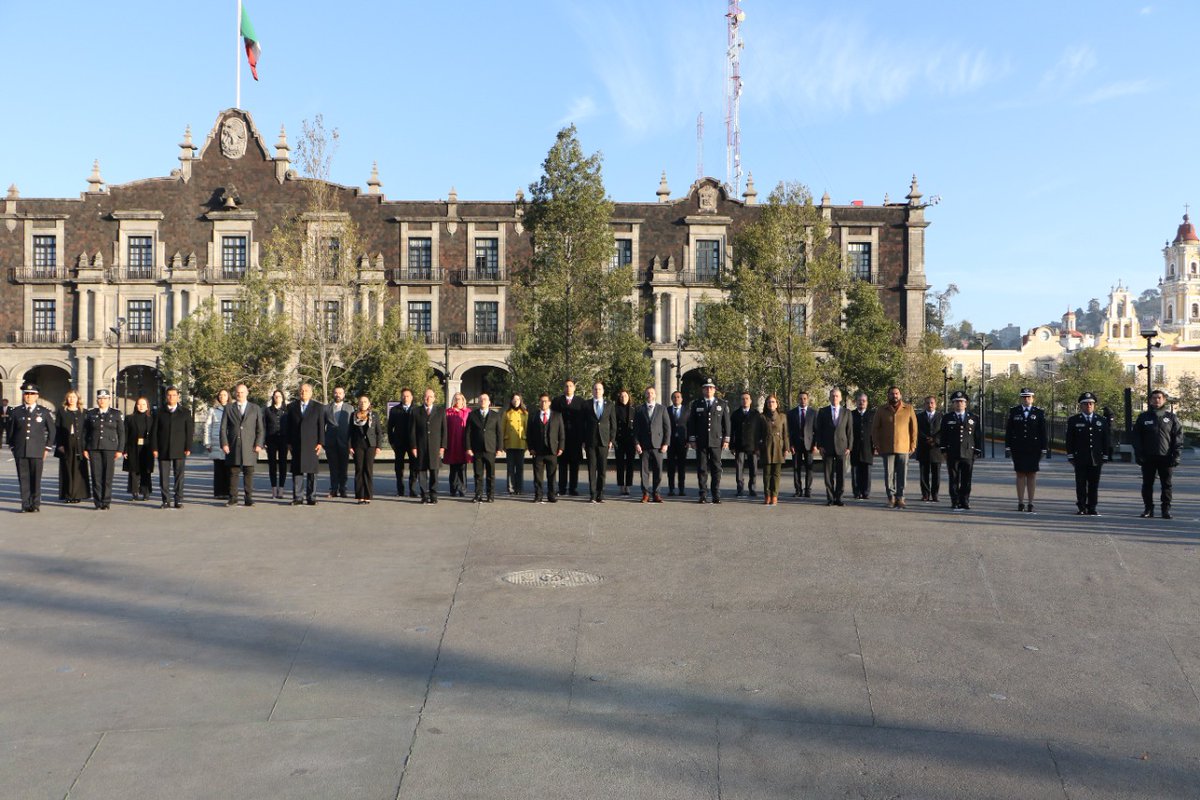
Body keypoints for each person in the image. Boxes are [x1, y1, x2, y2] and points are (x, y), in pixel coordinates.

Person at [1132, 389, 1182, 519]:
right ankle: (1148, 509)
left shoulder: (1171, 418)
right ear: (1150, 400)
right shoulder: (1143, 417)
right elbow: (1136, 437)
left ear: (1164, 400)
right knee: (1147, 484)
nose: (1157, 400)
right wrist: (1138, 454)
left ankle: (1166, 510)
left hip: (1166, 457)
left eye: (1159, 398)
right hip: (1148, 457)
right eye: (1154, 398)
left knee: (1166, 485)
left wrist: (1176, 455)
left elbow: (1177, 437)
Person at [9, 382, 55, 512]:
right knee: (23, 478)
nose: (29, 396)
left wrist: (47, 448)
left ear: (37, 396)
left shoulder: (44, 412)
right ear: (24, 395)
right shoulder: (16, 411)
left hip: (37, 450)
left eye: (32, 394)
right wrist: (13, 447)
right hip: (21, 450)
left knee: (36, 478)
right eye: (27, 394)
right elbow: (11, 431)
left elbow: (52, 431)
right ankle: (25, 504)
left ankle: (35, 504)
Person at [1064, 392, 1111, 516]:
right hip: (1080, 457)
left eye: (1091, 403)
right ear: (1081, 406)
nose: (1089, 406)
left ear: (1094, 405)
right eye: (1086, 404)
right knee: (1080, 483)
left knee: (1093, 484)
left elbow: (1106, 439)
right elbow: (1070, 440)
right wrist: (1070, 455)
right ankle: (1081, 506)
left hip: (1096, 457)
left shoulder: (1101, 420)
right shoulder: (1074, 420)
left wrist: (1106, 455)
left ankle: (1092, 506)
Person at [870, 386, 917, 509]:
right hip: (887, 447)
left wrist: (913, 444)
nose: (894, 396)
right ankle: (891, 497)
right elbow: (875, 429)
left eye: (896, 393)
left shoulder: (908, 409)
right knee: (889, 474)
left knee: (902, 474)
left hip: (903, 447)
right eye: (892, 394)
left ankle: (900, 498)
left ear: (900, 395)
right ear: (888, 395)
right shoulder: (881, 410)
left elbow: (914, 429)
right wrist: (877, 444)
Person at [1003, 387, 1048, 513]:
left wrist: (1044, 448)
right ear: (1021, 398)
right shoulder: (1014, 411)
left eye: (1029, 397)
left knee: (1032, 475)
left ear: (1033, 398)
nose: (1026, 399)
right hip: (1018, 448)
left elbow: (1043, 432)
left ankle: (1031, 502)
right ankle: (1021, 502)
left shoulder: (1039, 412)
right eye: (1024, 397)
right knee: (1020, 474)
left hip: (1034, 448)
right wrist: (1007, 447)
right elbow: (1009, 431)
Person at [220, 382, 264, 506]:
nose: (240, 394)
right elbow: (223, 428)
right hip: (233, 445)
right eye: (238, 393)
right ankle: (233, 498)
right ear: (235, 394)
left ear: (247, 393)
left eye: (242, 392)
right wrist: (224, 443)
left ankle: (248, 498)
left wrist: (259, 443)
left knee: (249, 472)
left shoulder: (255, 408)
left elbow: (260, 428)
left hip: (250, 446)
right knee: (233, 472)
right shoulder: (229, 408)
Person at [939, 390, 983, 511]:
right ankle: (955, 500)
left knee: (966, 479)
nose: (959, 404)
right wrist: (943, 450)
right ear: (953, 404)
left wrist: (977, 450)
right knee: (953, 478)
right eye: (956, 402)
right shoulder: (947, 418)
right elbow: (943, 435)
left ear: (966, 403)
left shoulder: (973, 418)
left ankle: (965, 500)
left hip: (968, 452)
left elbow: (977, 435)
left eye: (961, 401)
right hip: (952, 452)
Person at [688, 379, 730, 504]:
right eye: (706, 388)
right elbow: (692, 423)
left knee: (716, 468)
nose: (709, 390)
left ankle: (716, 494)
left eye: (711, 388)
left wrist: (726, 439)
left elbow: (726, 423)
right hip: (701, 441)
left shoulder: (722, 404)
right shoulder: (696, 404)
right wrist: (692, 439)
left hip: (716, 441)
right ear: (703, 390)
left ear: (714, 390)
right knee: (702, 468)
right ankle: (703, 494)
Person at [151, 386, 193, 509]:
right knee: (164, 476)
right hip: (163, 448)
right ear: (166, 397)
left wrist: (188, 447)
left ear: (178, 396)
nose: (171, 397)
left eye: (174, 395)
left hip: (179, 448)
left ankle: (178, 500)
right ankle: (165, 500)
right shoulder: (159, 412)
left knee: (179, 476)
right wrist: (154, 448)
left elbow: (189, 431)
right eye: (169, 395)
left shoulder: (185, 412)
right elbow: (154, 431)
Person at [84, 388, 124, 510]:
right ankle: (98, 502)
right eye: (100, 399)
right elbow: (85, 432)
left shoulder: (116, 414)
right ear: (97, 400)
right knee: (96, 476)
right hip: (94, 447)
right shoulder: (90, 413)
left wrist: (120, 449)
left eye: (105, 398)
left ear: (109, 400)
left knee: (107, 476)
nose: (102, 401)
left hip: (110, 448)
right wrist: (85, 448)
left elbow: (121, 433)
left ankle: (106, 501)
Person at [285, 382, 324, 506]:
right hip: (296, 444)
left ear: (311, 393)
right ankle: (298, 497)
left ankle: (311, 497)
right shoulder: (291, 407)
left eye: (306, 390)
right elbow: (288, 426)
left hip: (312, 444)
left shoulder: (318, 407)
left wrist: (321, 442)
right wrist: (288, 442)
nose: (303, 392)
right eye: (301, 390)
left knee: (312, 472)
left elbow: (321, 426)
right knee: (297, 472)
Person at [814, 388, 853, 506]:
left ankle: (839, 498)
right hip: (827, 446)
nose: (834, 398)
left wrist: (849, 447)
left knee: (841, 474)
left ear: (840, 398)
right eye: (832, 396)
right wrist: (820, 445)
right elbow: (818, 430)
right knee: (828, 474)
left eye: (837, 396)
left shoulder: (847, 412)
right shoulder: (822, 411)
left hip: (842, 446)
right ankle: (830, 498)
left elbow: (850, 431)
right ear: (829, 398)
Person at [634, 385, 670, 503]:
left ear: (655, 395)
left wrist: (666, 443)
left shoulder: (662, 409)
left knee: (658, 470)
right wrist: (637, 443)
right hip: (643, 445)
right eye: (648, 393)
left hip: (658, 445)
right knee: (644, 471)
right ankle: (645, 494)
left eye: (652, 393)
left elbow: (667, 428)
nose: (650, 395)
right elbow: (636, 429)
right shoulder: (639, 409)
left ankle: (656, 494)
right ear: (645, 395)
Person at [410, 388, 447, 504]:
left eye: (430, 396)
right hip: (421, 447)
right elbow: (412, 431)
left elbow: (444, 430)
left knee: (434, 472)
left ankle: (433, 495)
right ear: (423, 398)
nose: (428, 398)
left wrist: (443, 446)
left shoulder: (440, 411)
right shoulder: (416, 411)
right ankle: (424, 495)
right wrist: (413, 446)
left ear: (434, 398)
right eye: (426, 396)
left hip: (435, 447)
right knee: (422, 472)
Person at [580, 381, 615, 503]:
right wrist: (583, 440)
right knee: (592, 469)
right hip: (590, 441)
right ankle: (592, 494)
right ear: (592, 391)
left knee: (602, 469)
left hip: (604, 441)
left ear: (603, 391)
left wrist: (611, 439)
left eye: (599, 389)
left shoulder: (609, 405)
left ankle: (601, 494)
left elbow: (613, 424)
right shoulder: (586, 404)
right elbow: (582, 424)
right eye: (595, 389)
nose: (597, 391)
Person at [527, 392, 564, 504]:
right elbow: (529, 433)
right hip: (538, 451)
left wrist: (561, 447)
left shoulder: (557, 415)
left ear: (549, 403)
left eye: (546, 401)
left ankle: (552, 495)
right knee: (538, 476)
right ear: (539, 402)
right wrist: (531, 448)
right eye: (542, 401)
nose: (543, 403)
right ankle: (538, 495)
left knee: (552, 475)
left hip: (552, 450)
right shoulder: (533, 416)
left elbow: (561, 433)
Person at [552, 379, 587, 496]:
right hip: (561, 437)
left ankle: (573, 488)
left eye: (571, 386)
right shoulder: (557, 401)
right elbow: (554, 420)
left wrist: (583, 439)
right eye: (566, 386)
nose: (568, 388)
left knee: (574, 464)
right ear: (563, 388)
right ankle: (562, 488)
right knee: (562, 464)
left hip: (576, 438)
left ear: (574, 388)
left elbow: (584, 422)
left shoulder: (581, 402)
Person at [55, 389, 89, 503]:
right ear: (66, 399)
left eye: (74, 397)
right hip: (66, 444)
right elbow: (57, 429)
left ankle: (77, 495)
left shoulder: (84, 412)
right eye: (69, 397)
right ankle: (68, 495)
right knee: (67, 469)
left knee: (79, 470)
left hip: (80, 444)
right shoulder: (62, 411)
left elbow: (87, 430)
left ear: (78, 399)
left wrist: (86, 446)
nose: (71, 399)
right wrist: (59, 444)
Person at [467, 392, 503, 503]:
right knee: (478, 474)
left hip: (490, 449)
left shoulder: (495, 415)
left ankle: (490, 495)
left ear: (489, 402)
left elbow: (499, 433)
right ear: (478, 402)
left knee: (490, 474)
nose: (483, 401)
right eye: (481, 400)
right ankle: (478, 495)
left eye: (485, 399)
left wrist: (499, 448)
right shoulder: (472, 415)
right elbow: (468, 433)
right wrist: (468, 447)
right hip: (477, 449)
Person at [348, 395, 382, 504]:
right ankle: (360, 496)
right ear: (358, 403)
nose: (363, 403)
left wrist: (379, 446)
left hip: (370, 446)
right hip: (358, 445)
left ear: (369, 404)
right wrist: (349, 446)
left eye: (365, 401)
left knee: (368, 469)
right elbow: (350, 432)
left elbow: (379, 432)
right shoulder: (353, 415)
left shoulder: (374, 415)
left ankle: (368, 495)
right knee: (359, 470)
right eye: (361, 401)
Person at [386, 388, 417, 497]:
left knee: (414, 467)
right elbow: (390, 428)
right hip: (399, 443)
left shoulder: (416, 410)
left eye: (408, 396)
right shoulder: (394, 410)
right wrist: (392, 442)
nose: (405, 398)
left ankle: (412, 490)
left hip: (413, 443)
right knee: (399, 468)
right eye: (403, 396)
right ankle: (400, 490)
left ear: (411, 397)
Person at [123, 396, 155, 501]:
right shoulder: (129, 418)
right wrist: (124, 450)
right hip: (132, 447)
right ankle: (134, 492)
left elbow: (155, 435)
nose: (141, 406)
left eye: (143, 404)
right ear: (136, 405)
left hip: (147, 448)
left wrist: (155, 448)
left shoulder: (151, 419)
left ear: (147, 406)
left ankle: (146, 492)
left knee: (146, 471)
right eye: (139, 404)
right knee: (133, 471)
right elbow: (125, 434)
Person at [758, 395, 788, 506]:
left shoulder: (782, 417)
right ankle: (767, 495)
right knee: (767, 473)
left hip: (778, 447)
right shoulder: (762, 417)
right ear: (766, 404)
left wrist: (786, 448)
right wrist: (758, 448)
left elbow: (785, 433)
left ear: (777, 404)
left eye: (773, 402)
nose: (771, 404)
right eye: (769, 402)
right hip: (766, 446)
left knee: (776, 474)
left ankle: (774, 495)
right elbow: (758, 434)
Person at [730, 391, 761, 498]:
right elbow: (732, 431)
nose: (745, 401)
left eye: (747, 399)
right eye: (743, 399)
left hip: (753, 445)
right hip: (739, 445)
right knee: (739, 468)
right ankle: (740, 489)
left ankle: (752, 488)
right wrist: (732, 446)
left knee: (753, 468)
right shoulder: (735, 414)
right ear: (740, 401)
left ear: (751, 401)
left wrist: (758, 446)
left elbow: (759, 431)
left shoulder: (756, 414)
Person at [323, 387, 352, 498]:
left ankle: (343, 489)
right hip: (330, 442)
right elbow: (321, 425)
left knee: (344, 467)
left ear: (344, 395)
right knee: (333, 467)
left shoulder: (349, 408)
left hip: (345, 442)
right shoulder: (326, 408)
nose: (338, 395)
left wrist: (351, 443)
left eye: (340, 393)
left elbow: (352, 426)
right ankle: (333, 489)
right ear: (333, 394)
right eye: (336, 393)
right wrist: (323, 441)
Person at [787, 392, 816, 498]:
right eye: (800, 399)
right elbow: (789, 431)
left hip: (809, 444)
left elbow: (816, 430)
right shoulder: (791, 413)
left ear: (807, 399)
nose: (802, 401)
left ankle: (808, 490)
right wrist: (790, 444)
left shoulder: (813, 413)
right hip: (796, 444)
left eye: (804, 398)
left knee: (809, 468)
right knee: (796, 468)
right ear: (797, 400)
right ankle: (798, 490)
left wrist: (815, 444)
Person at [915, 395, 943, 503]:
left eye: (932, 403)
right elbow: (917, 430)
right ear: (924, 404)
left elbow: (943, 431)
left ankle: (935, 494)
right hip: (923, 447)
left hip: (936, 449)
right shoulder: (919, 416)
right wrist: (926, 438)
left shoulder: (941, 416)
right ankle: (925, 494)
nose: (930, 405)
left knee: (936, 474)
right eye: (927, 403)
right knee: (924, 473)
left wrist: (935, 440)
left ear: (935, 404)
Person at [204, 389, 231, 499]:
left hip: (229, 442)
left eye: (224, 395)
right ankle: (219, 492)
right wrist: (207, 443)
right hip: (216, 442)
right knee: (219, 469)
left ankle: (229, 492)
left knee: (229, 469)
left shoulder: (233, 409)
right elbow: (208, 426)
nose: (222, 397)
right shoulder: (213, 410)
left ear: (228, 396)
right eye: (220, 395)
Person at [444, 392, 471, 497]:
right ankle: (453, 489)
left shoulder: (468, 412)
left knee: (462, 467)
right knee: (453, 468)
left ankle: (462, 489)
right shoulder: (448, 412)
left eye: (459, 399)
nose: (457, 400)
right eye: (455, 399)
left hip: (463, 444)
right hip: (452, 443)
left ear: (463, 400)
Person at [264, 389, 289, 499]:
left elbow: (290, 426)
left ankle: (281, 489)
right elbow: (264, 426)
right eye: (275, 396)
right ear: (273, 398)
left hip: (284, 440)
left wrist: (290, 441)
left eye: (279, 396)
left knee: (283, 464)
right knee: (272, 465)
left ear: (282, 398)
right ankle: (274, 488)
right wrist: (264, 441)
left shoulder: (287, 410)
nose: (277, 398)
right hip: (271, 440)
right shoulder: (267, 410)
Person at [849, 392, 874, 500]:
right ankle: (857, 492)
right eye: (859, 400)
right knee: (855, 470)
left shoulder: (872, 415)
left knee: (867, 471)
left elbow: (875, 431)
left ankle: (866, 492)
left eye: (863, 401)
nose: (861, 402)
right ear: (856, 402)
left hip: (868, 447)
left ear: (867, 402)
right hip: (855, 446)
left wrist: (876, 446)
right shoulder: (851, 414)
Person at [502, 394, 528, 496]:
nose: (516, 401)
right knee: (510, 467)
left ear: (521, 401)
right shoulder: (507, 413)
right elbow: (502, 429)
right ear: (511, 401)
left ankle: (519, 488)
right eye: (514, 399)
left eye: (518, 399)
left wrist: (528, 444)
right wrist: (502, 443)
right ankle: (511, 488)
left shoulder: (525, 413)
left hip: (521, 442)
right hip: (509, 442)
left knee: (520, 467)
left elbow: (527, 429)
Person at [665, 390, 690, 496]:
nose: (676, 399)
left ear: (682, 399)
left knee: (681, 466)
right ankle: (671, 488)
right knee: (670, 467)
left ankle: (681, 488)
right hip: (670, 442)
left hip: (683, 442)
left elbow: (690, 426)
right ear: (672, 399)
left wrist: (689, 440)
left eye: (678, 397)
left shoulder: (687, 411)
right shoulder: (667, 410)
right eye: (674, 397)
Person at [613, 389, 637, 496]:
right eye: (621, 396)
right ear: (619, 398)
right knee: (620, 463)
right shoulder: (615, 409)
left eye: (625, 396)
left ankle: (628, 485)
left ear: (629, 397)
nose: (623, 398)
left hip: (631, 440)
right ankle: (621, 485)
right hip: (619, 439)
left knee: (630, 463)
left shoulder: (634, 409)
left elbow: (636, 425)